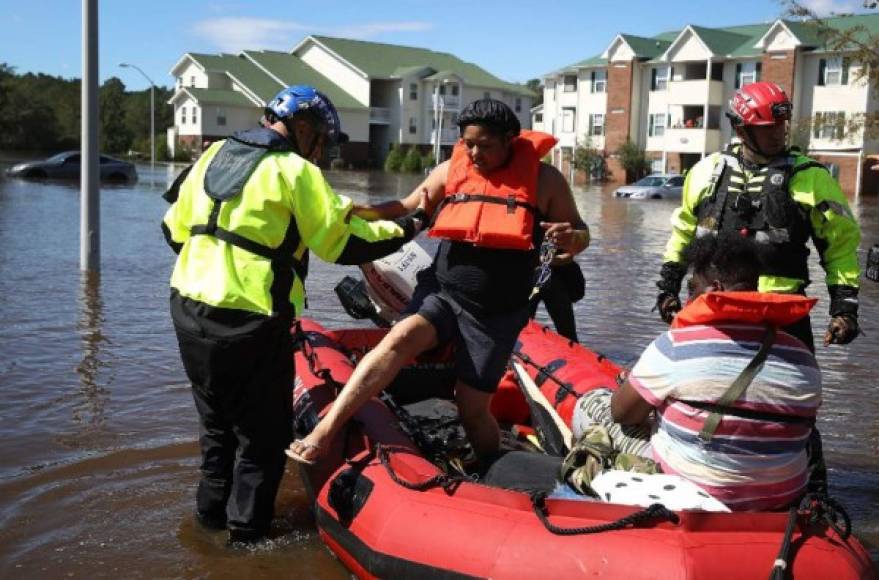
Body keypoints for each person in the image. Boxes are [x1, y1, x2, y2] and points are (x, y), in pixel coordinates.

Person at [161, 85, 427, 543]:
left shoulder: (211, 155)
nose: (322, 150)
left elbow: (173, 230)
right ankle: (246, 544)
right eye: (322, 138)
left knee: (216, 428)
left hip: (187, 312)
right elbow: (343, 244)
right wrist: (412, 225)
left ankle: (207, 524)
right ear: (303, 128)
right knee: (261, 439)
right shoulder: (295, 170)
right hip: (251, 319)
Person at [287, 98, 591, 464]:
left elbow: (580, 231)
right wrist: (354, 211)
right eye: (468, 143)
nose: (474, 153)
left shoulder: (545, 180)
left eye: (485, 145)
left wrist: (572, 238)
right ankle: (325, 429)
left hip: (497, 313)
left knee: (472, 409)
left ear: (510, 139)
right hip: (443, 291)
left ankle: (492, 468)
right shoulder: (451, 169)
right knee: (398, 339)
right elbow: (405, 206)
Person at [571, 232, 822, 511]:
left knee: (590, 405)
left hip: (698, 490)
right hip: (781, 498)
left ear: (713, 289)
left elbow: (622, 413)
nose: (686, 299)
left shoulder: (677, 346)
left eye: (691, 289)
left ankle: (583, 493)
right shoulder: (802, 355)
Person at [655, 81, 861, 352]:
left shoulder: (813, 179)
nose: (779, 134)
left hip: (780, 315)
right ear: (742, 129)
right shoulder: (705, 173)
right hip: (711, 310)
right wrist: (668, 288)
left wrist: (844, 308)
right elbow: (683, 233)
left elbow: (841, 246)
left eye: (782, 124)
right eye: (768, 129)